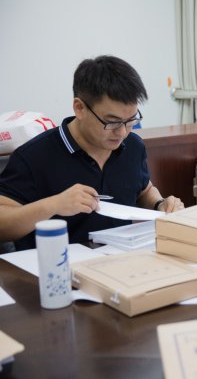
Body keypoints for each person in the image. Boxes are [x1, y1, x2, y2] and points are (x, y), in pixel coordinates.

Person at [0, 55, 184, 250]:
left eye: (131, 120)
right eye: (112, 122)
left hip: (121, 259)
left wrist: (160, 204)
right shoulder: (34, 156)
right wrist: (54, 205)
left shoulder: (133, 146)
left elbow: (143, 189)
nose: (122, 132)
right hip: (57, 263)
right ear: (79, 108)